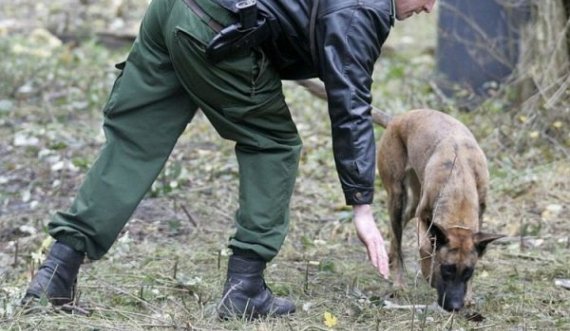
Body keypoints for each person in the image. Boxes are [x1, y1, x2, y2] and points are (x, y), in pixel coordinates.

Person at [22, 0, 436, 319]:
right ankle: (245, 289)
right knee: (272, 142)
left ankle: (55, 275)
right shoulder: (363, 9)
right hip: (218, 23)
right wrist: (362, 206)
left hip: (175, 10)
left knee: (134, 142)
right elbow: (349, 105)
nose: (430, 7)